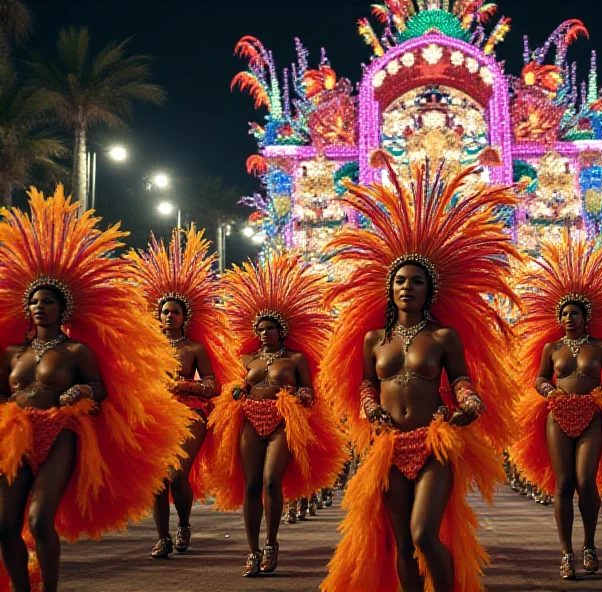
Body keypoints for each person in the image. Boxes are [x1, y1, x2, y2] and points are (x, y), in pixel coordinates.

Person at [320, 158, 519, 592]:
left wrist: (470, 403)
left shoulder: (444, 336)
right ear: (389, 289)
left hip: (434, 441)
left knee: (423, 534)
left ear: (430, 290)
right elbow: (367, 385)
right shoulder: (375, 339)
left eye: (416, 282)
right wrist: (372, 410)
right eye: (400, 281)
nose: (407, 287)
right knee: (401, 546)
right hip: (387, 446)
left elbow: (462, 379)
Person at [0, 187, 192, 591]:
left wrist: (81, 395)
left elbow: (100, 388)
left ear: (62, 308)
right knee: (4, 525)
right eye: (34, 301)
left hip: (61, 432)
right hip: (14, 434)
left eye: (48, 301)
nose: (40, 307)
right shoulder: (13, 353)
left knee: (38, 519)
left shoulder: (76, 350)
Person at [511, 230, 602, 580]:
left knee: (585, 480)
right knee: (563, 484)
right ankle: (565, 552)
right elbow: (539, 379)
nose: (568, 318)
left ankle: (589, 544)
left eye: (574, 313)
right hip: (557, 414)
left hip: (594, 414)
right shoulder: (551, 348)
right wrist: (549, 392)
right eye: (564, 314)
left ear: (585, 316)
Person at [207, 253, 347, 577]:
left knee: (272, 481)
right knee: (252, 484)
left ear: (281, 330)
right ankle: (252, 551)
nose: (264, 333)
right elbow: (234, 385)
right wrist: (237, 392)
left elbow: (311, 391)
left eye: (270, 328)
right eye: (260, 328)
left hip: (284, 421)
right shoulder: (247, 359)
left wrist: (301, 395)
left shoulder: (296, 358)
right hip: (250, 419)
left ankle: (271, 543)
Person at [127, 226, 238, 558]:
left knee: (177, 476)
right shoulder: (146, 346)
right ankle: (162, 536)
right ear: (157, 316)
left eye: (175, 311)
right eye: (164, 311)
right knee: (158, 480)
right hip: (156, 413)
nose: (169, 316)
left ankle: (185, 525)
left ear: (184, 316)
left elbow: (213, 386)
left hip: (190, 414)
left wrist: (185, 384)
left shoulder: (194, 348)